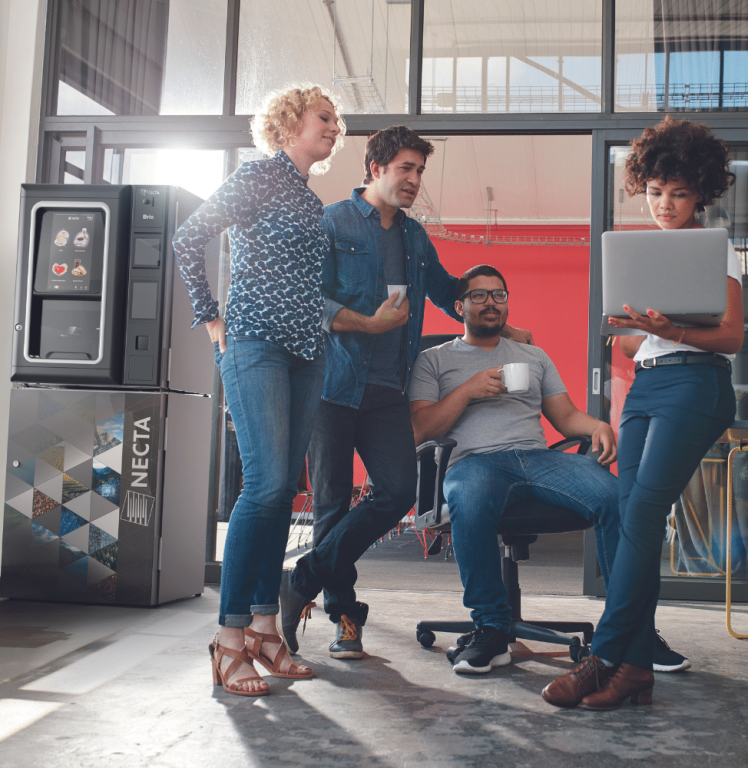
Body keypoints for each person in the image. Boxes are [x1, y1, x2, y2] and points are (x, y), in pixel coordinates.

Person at [280, 126, 534, 660]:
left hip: (388, 388)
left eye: (420, 170)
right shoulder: (332, 222)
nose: (415, 180)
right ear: (375, 169)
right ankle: (345, 619)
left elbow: (446, 291)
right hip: (331, 385)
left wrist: (499, 322)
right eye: (406, 169)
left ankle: (300, 579)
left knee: (396, 492)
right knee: (329, 504)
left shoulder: (415, 238)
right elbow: (311, 299)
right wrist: (367, 325)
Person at [543, 115, 743, 710]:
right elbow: (633, 346)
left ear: (700, 193)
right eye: (655, 192)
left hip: (697, 387)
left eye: (678, 194)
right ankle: (635, 671)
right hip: (649, 389)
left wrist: (672, 328)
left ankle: (602, 655)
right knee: (631, 514)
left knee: (645, 512)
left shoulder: (718, 250)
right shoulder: (640, 253)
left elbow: (730, 337)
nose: (664, 204)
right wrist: (638, 330)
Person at [172, 84, 345, 697]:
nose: (334, 127)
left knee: (279, 495)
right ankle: (228, 639)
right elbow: (189, 236)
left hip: (306, 353)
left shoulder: (306, 194)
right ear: (291, 120)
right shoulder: (260, 176)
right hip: (255, 345)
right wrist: (211, 315)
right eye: (325, 118)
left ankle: (268, 632)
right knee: (266, 484)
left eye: (335, 121)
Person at [408, 264, 621, 673]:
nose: (490, 302)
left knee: (613, 496)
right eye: (479, 295)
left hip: (536, 457)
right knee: (469, 499)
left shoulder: (533, 356)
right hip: (474, 462)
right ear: (459, 306)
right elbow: (422, 430)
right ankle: (490, 628)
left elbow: (564, 416)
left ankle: (628, 629)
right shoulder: (433, 360)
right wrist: (468, 391)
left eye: (499, 294)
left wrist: (596, 425)